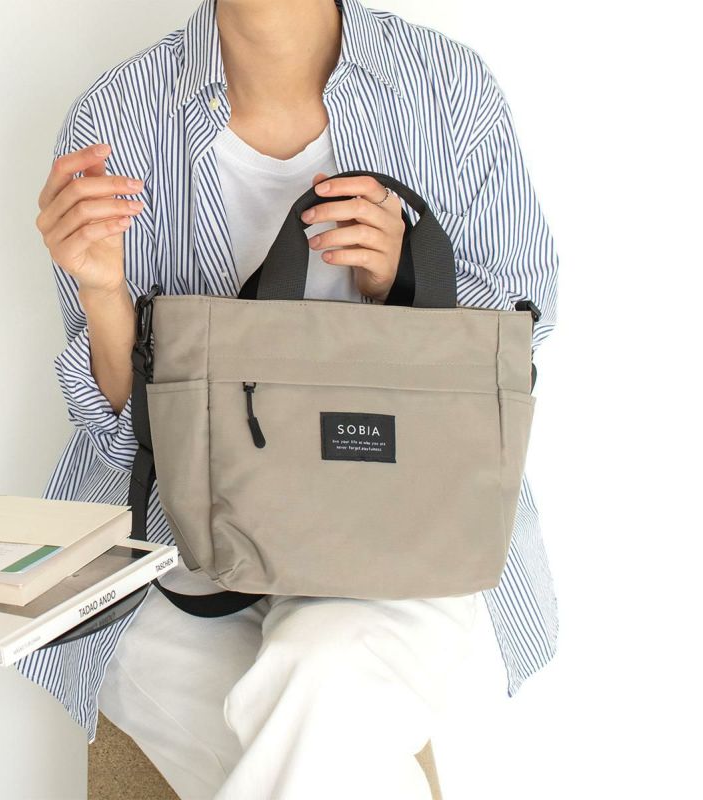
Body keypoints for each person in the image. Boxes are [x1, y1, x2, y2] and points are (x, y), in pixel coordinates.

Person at [28, 0, 559, 796]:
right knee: (329, 742)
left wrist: (406, 279)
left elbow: (520, 338)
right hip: (182, 549)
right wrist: (104, 295)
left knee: (324, 670)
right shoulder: (116, 117)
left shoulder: (447, 87)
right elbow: (124, 437)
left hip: (407, 535)